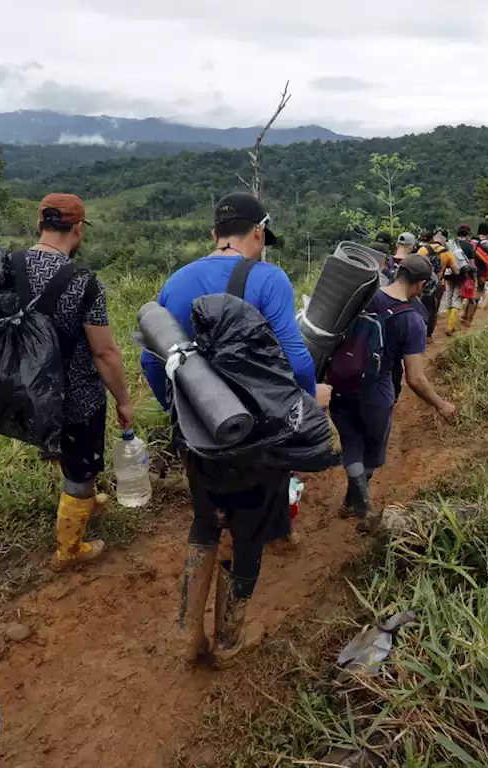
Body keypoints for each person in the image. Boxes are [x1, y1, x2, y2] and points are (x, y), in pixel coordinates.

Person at [142, 192, 323, 669]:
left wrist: (180, 411)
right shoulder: (267, 277)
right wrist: (300, 410)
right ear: (258, 232)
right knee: (247, 532)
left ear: (215, 233)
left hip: (199, 432)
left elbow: (151, 356)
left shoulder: (178, 280)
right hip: (257, 435)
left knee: (205, 521)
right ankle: (227, 640)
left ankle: (187, 634)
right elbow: (299, 360)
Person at [3, 194, 132, 572]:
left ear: (40, 224)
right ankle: (69, 549)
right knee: (80, 468)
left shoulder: (9, 266)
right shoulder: (83, 282)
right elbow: (104, 353)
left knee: (72, 456)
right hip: (75, 396)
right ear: (78, 229)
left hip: (23, 390)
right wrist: (123, 400)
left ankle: (85, 497)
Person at [331, 254, 456, 534]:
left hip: (341, 385)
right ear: (421, 284)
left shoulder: (364, 296)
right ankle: (360, 504)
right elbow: (415, 377)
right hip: (377, 394)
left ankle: (352, 502)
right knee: (372, 453)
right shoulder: (412, 319)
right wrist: (441, 405)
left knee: (351, 443)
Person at [415, 233, 451, 339]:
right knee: (433, 311)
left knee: (417, 307)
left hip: (420, 284)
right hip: (437, 285)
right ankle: (428, 336)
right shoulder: (447, 253)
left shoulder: (421, 251)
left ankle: (417, 332)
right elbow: (456, 270)